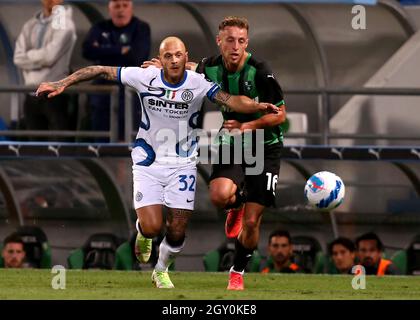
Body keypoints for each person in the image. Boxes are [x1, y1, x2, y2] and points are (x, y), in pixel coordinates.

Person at [36, 36, 281, 288]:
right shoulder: (144, 77)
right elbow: (99, 70)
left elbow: (229, 99)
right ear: (159, 59)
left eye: (178, 55)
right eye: (168, 56)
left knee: (176, 231)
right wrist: (61, 82)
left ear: (186, 57)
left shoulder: (199, 83)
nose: (174, 60)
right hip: (147, 162)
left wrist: (257, 105)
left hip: (183, 164)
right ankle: (144, 232)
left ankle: (161, 270)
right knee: (153, 227)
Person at [196, 16, 286, 290]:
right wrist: (159, 67)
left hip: (265, 146)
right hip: (232, 142)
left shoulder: (260, 71)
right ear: (219, 40)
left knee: (251, 221)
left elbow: (280, 116)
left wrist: (249, 125)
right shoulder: (209, 66)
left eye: (241, 41)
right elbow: (186, 70)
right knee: (219, 195)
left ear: (247, 42)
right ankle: (236, 200)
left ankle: (237, 271)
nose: (236, 46)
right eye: (230, 40)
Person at [82, 0, 151, 141]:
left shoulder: (141, 28)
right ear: (110, 9)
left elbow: (137, 57)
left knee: (129, 140)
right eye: (117, 6)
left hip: (129, 93)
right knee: (101, 138)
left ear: (131, 8)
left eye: (125, 6)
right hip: (103, 92)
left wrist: (103, 51)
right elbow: (87, 51)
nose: (121, 10)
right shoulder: (100, 27)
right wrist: (120, 50)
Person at [13, 0, 77, 140]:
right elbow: (17, 58)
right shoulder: (30, 25)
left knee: (59, 145)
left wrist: (28, 56)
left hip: (54, 93)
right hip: (31, 92)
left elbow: (50, 57)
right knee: (34, 145)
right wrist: (39, 59)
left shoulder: (65, 24)